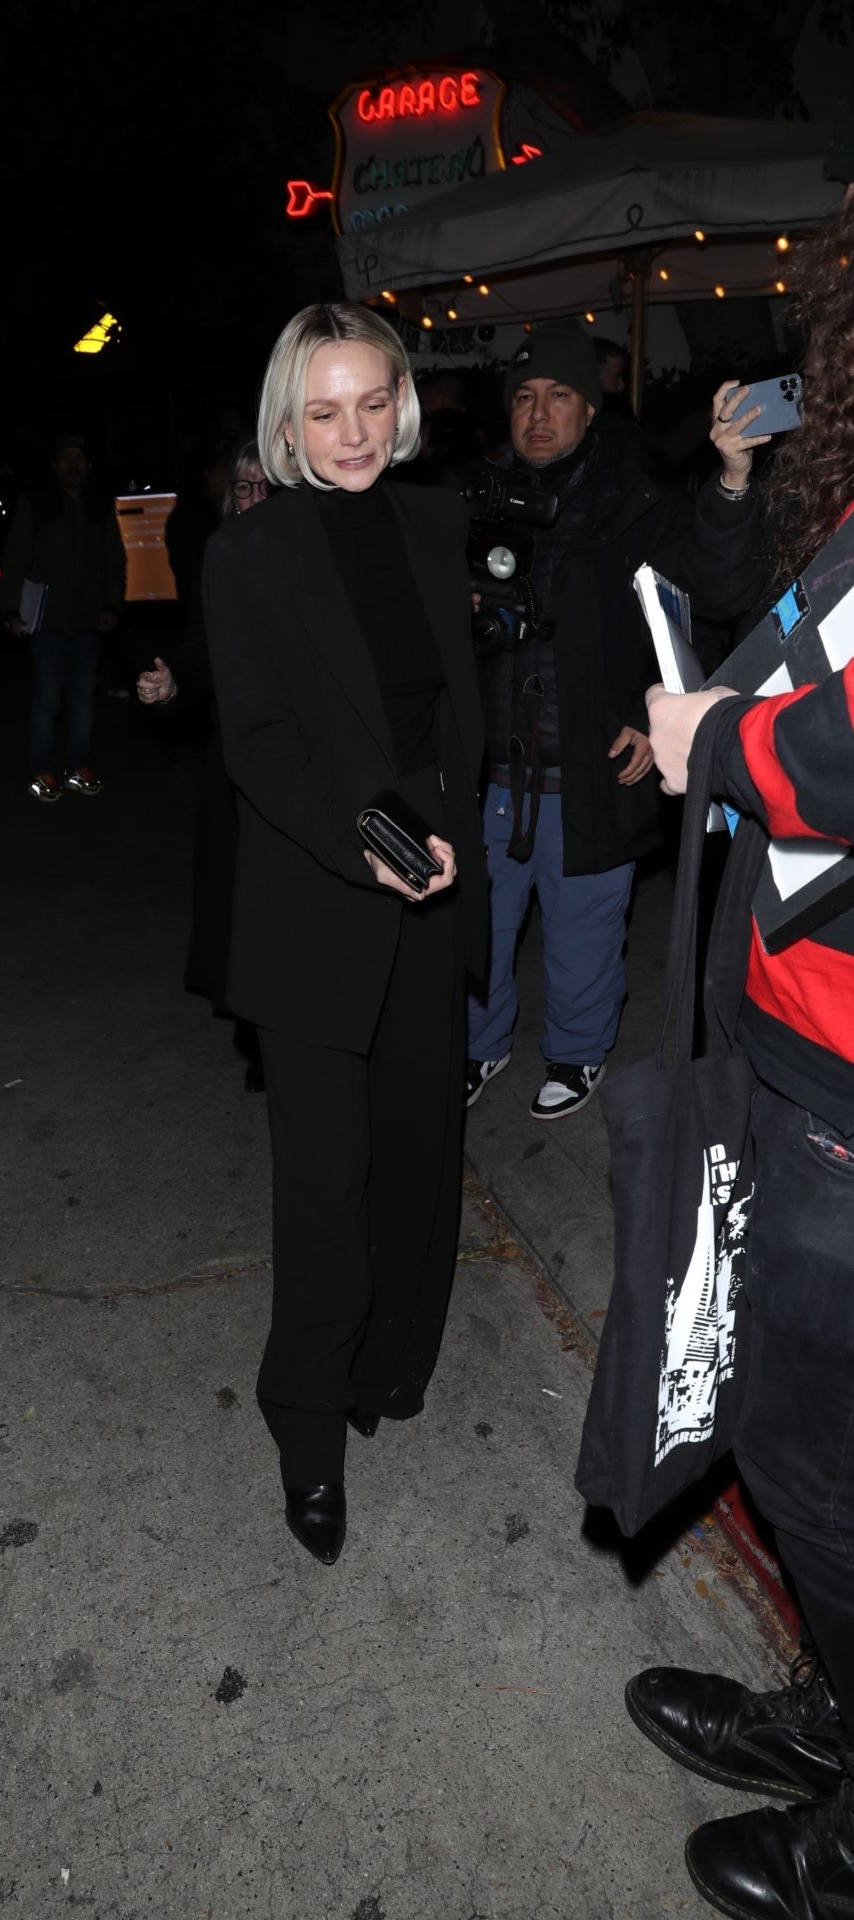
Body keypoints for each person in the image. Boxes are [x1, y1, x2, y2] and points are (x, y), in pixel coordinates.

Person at [625, 185, 854, 1920]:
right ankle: (833, 1721)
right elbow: (784, 638)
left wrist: (726, 745)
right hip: (797, 1045)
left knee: (807, 1447)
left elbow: (815, 742)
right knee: (800, 1436)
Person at [202, 302, 487, 1566]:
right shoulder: (246, 553)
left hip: (437, 884)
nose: (352, 431)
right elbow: (257, 740)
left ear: (402, 401)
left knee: (421, 1159)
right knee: (326, 1186)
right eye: (323, 410)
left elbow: (452, 715)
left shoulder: (437, 522)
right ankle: (304, 1422)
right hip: (321, 894)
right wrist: (371, 841)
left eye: (371, 402)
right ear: (287, 421)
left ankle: (388, 1368)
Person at [463, 318, 766, 1120]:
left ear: (590, 409)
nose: (538, 412)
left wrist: (651, 709)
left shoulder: (637, 504)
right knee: (478, 924)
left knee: (584, 928)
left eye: (560, 395)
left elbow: (706, 610)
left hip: (594, 763)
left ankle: (577, 1050)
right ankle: (479, 1044)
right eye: (524, 396)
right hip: (488, 765)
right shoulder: (476, 502)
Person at [137, 442, 271, 1091]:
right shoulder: (219, 559)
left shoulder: (311, 559)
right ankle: (258, 1036)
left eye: (266, 487)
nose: (253, 500)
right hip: (238, 762)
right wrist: (175, 685)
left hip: (305, 759)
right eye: (243, 489)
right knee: (239, 901)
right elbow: (200, 649)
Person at [0, 432, 127, 802]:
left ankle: (77, 766)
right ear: (55, 467)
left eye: (79, 458)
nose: (73, 464)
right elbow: (15, 556)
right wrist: (11, 610)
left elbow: (114, 559)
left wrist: (112, 605)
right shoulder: (36, 503)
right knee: (46, 700)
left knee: (84, 700)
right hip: (47, 624)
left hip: (88, 622)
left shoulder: (100, 505)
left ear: (88, 466)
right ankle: (42, 769)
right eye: (66, 458)